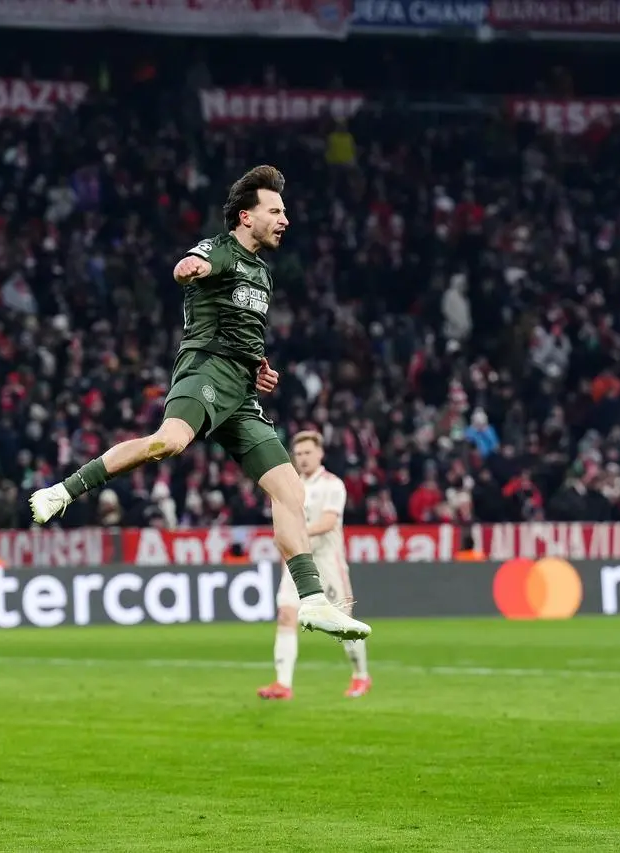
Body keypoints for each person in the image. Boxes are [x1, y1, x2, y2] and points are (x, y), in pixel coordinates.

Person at [28, 165, 370, 642]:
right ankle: (63, 491)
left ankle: (312, 602)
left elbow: (243, 329)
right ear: (246, 217)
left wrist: (259, 366)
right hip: (205, 372)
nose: (285, 218)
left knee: (292, 492)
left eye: (285, 211)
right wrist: (189, 267)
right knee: (168, 444)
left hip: (241, 393)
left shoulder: (263, 274)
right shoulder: (222, 250)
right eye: (276, 211)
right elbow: (194, 263)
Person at [259, 431, 370, 700]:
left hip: (327, 563)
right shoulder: (290, 485)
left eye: (308, 453)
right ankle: (283, 684)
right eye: (298, 454)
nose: (303, 458)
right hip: (297, 561)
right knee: (286, 615)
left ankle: (360, 675)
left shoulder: (333, 485)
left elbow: (328, 523)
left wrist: (296, 532)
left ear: (320, 454)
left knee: (343, 625)